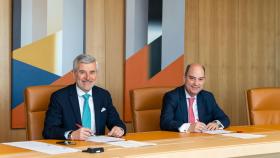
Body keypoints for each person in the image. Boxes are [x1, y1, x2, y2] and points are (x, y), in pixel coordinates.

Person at [43, 54, 126, 140]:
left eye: (92, 72)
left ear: (96, 74)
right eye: (82, 72)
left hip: (98, 149)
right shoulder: (60, 97)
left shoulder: (103, 95)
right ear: (74, 74)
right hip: (71, 148)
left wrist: (119, 129)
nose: (88, 77)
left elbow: (117, 122)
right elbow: (49, 130)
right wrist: (71, 135)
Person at [160, 64, 230, 133]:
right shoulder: (172, 96)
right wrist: (188, 127)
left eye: (200, 79)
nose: (196, 83)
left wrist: (216, 124)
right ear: (184, 78)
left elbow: (224, 118)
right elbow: (165, 122)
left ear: (204, 80)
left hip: (204, 140)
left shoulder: (208, 97)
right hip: (181, 141)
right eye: (192, 78)